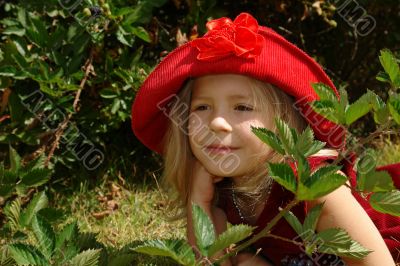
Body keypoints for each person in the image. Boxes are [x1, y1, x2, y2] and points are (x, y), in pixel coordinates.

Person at [131, 12, 400, 265]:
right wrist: (198, 201)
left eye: (242, 108)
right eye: (202, 107)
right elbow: (210, 261)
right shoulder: (225, 193)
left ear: (284, 124)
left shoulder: (314, 186)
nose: (216, 122)